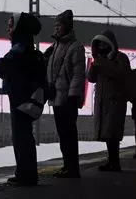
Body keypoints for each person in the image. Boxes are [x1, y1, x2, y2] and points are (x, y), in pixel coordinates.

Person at [0, 12, 46, 186]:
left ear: (18, 28)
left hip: (20, 99)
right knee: (25, 135)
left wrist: (0, 64)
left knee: (21, 137)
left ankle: (25, 175)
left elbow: (7, 68)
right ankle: (27, 173)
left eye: (10, 26)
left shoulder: (19, 48)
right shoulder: (29, 48)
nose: (8, 30)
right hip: (27, 98)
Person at [45, 9, 86, 178]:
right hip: (57, 97)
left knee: (69, 134)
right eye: (55, 25)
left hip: (68, 98)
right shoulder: (55, 46)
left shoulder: (75, 47)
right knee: (63, 134)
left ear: (67, 26)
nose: (56, 28)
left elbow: (78, 74)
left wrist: (73, 95)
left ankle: (72, 167)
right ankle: (67, 165)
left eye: (59, 25)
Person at [88, 30, 131, 172]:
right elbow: (91, 78)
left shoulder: (121, 58)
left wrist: (104, 64)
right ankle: (112, 161)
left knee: (112, 132)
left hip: (115, 101)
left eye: (104, 43)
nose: (101, 46)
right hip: (102, 101)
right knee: (107, 133)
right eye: (99, 44)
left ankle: (115, 162)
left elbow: (120, 74)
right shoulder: (100, 59)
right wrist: (94, 66)